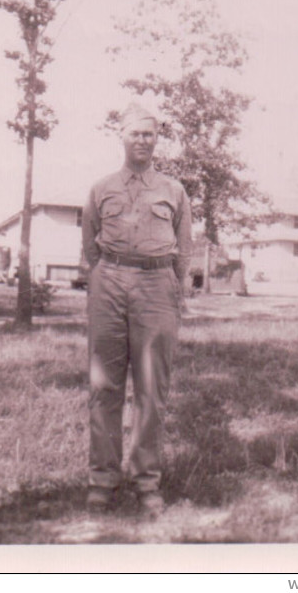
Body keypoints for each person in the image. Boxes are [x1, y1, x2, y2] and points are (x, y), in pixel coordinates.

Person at [81, 103, 192, 517]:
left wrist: (175, 289)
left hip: (157, 285)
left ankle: (147, 483)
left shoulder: (174, 190)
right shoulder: (101, 187)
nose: (142, 141)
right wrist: (105, 277)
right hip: (108, 282)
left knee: (151, 389)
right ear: (122, 138)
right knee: (104, 385)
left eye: (149, 134)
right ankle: (102, 481)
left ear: (157, 139)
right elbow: (89, 243)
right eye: (135, 134)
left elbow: (185, 246)